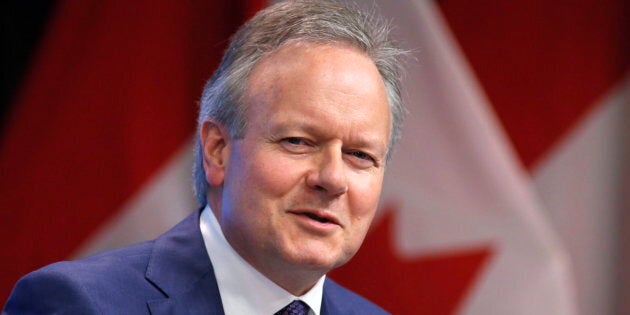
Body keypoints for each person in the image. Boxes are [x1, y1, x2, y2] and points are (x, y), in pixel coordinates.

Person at [3, 0, 406, 314]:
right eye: (298, 141)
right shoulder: (80, 305)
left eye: (359, 154)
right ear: (218, 150)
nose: (333, 178)